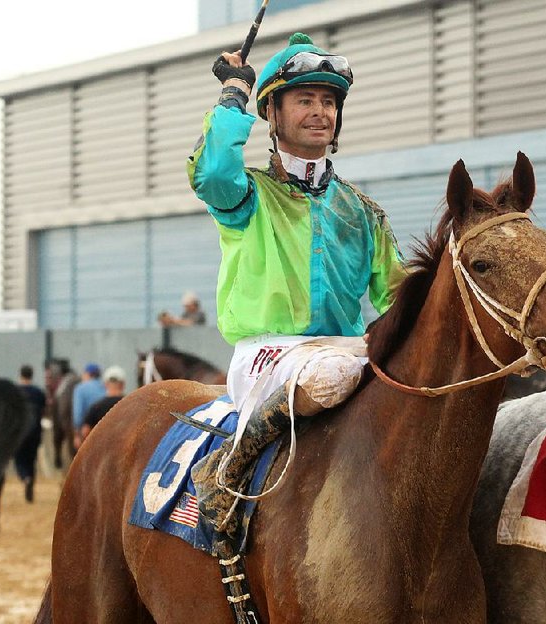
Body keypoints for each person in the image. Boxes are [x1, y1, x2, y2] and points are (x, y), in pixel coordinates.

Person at [185, 32, 407, 534]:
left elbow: (399, 296)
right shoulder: (247, 195)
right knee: (331, 375)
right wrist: (233, 94)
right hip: (268, 352)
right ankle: (225, 470)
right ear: (273, 114)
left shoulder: (364, 211)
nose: (320, 111)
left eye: (329, 101)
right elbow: (213, 170)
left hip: (348, 351)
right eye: (305, 99)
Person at [13, 364, 46, 502]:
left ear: (20, 375)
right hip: (35, 431)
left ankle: (25, 477)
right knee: (31, 459)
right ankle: (30, 484)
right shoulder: (39, 392)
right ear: (32, 375)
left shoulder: (14, 392)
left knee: (19, 458)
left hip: (19, 431)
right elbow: (44, 410)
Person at [80, 365, 126, 443]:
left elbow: (85, 432)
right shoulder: (132, 405)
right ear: (123, 385)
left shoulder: (96, 407)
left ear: (105, 384)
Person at [71, 362, 105, 451]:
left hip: (87, 432)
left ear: (87, 374)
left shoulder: (80, 388)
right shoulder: (105, 387)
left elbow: (78, 414)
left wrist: (77, 435)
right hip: (105, 432)